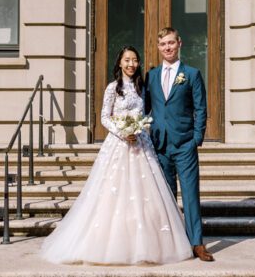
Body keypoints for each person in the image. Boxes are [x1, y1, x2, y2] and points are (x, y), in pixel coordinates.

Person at [40, 45, 192, 265]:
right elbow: (104, 117)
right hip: (118, 145)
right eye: (127, 60)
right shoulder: (113, 88)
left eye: (135, 60)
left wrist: (139, 129)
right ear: (120, 62)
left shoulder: (142, 88)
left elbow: (148, 112)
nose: (131, 64)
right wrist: (123, 132)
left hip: (141, 144)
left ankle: (149, 245)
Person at [145, 27, 214, 262]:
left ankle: (196, 243)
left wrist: (196, 138)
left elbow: (201, 108)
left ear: (179, 44)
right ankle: (172, 242)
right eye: (163, 44)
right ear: (158, 47)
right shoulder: (151, 76)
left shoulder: (192, 74)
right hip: (160, 144)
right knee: (166, 196)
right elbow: (145, 108)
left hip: (185, 144)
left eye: (171, 43)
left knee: (190, 195)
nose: (168, 47)